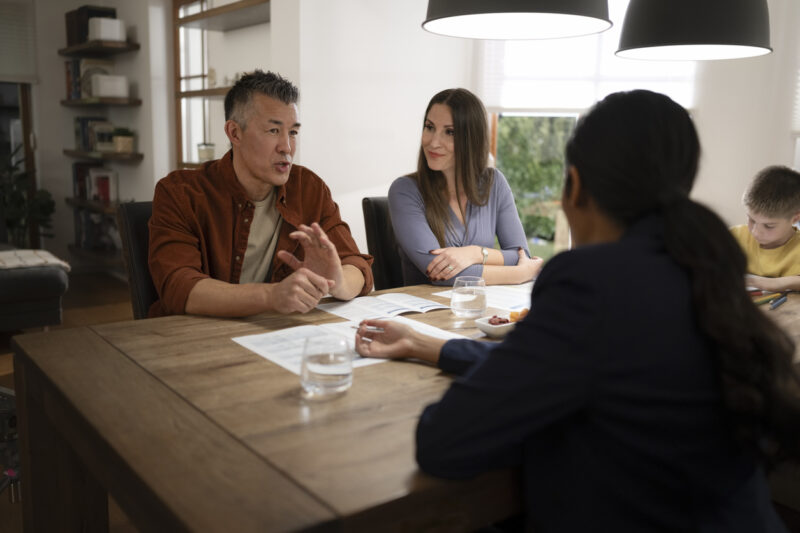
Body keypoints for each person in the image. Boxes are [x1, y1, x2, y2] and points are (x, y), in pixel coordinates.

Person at [356, 90, 800, 532]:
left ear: (577, 185)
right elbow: (581, 364)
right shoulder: (710, 270)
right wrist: (433, 345)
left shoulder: (589, 283)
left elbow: (442, 441)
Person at [148, 70, 373, 317]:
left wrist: (336, 281)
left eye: (293, 132)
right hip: (195, 340)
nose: (287, 147)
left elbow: (358, 267)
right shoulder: (180, 193)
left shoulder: (308, 188)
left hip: (275, 336)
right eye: (273, 131)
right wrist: (272, 296)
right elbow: (179, 287)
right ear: (235, 133)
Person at [388, 88, 543, 286]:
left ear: (472, 139)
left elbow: (521, 255)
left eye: (449, 132)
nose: (433, 142)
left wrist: (474, 253)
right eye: (429, 127)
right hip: (429, 314)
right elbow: (442, 274)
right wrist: (521, 274)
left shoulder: (494, 183)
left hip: (479, 310)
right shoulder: (404, 191)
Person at [730, 165, 800, 292]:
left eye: (769, 226)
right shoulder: (736, 236)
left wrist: (779, 283)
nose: (755, 232)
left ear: (795, 219)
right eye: (751, 220)